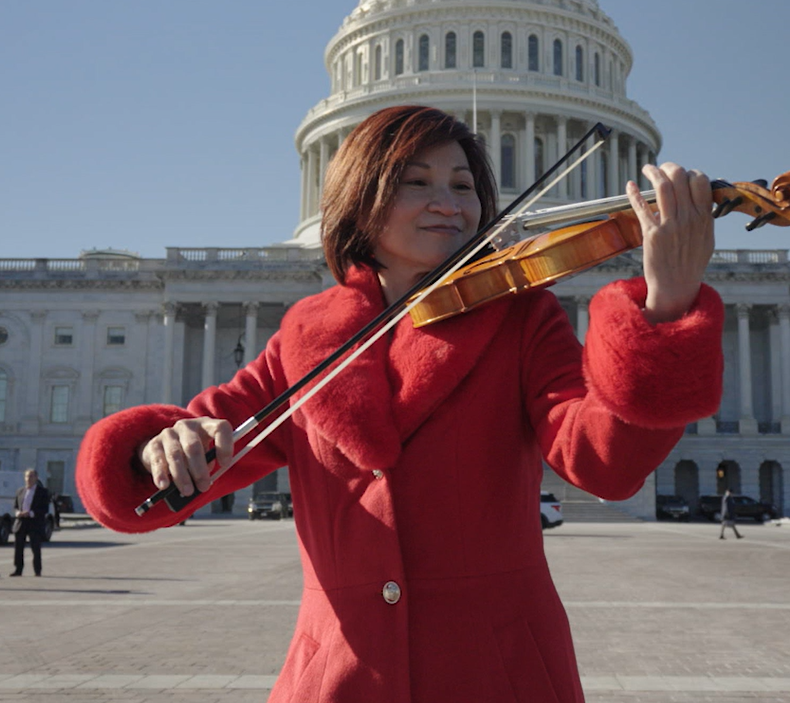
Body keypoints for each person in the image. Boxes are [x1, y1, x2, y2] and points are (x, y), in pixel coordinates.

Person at [76, 105, 724, 703]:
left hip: (497, 675)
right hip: (339, 676)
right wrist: (157, 447)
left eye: (464, 185)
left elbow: (602, 460)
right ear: (361, 199)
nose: (449, 204)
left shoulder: (523, 317)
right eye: (418, 182)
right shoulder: (303, 337)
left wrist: (666, 310)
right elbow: (195, 444)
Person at [10, 468, 50, 577]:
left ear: (36, 478)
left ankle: (37, 570)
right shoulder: (20, 491)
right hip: (21, 522)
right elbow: (15, 506)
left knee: (35, 548)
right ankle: (18, 569)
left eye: (31, 476)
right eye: (27, 476)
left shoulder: (42, 492)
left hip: (34, 523)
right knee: (18, 548)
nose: (29, 478)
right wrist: (18, 513)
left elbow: (44, 509)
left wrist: (31, 513)